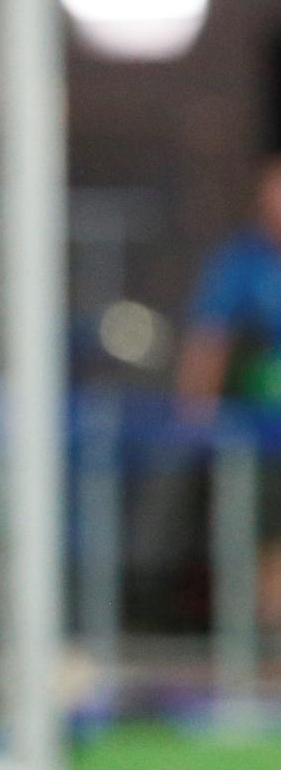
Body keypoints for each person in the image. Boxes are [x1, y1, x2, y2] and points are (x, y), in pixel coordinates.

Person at [175, 154, 281, 636]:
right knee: (257, 537)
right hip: (257, 439)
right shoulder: (241, 262)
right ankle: (261, 641)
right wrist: (195, 412)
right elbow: (207, 343)